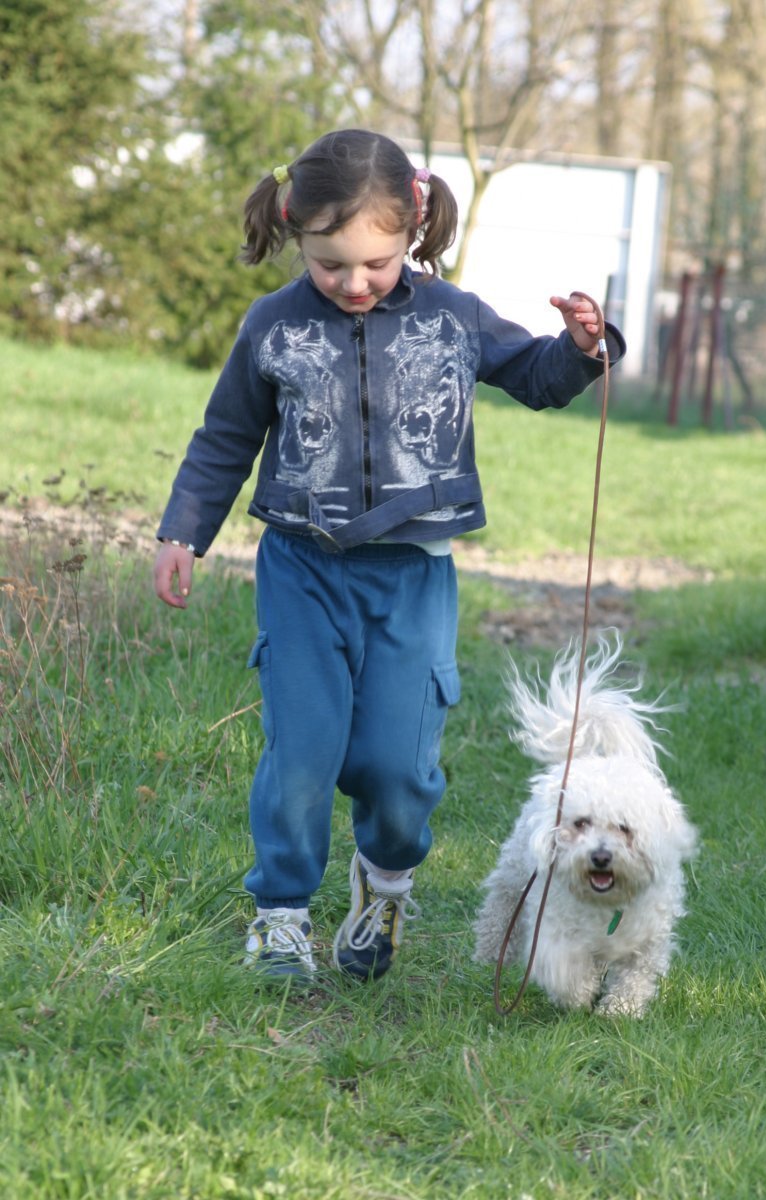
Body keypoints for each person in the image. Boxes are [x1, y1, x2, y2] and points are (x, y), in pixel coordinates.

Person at [153, 128, 626, 984]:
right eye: (330, 264)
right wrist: (184, 531)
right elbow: (225, 437)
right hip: (302, 569)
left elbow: (534, 374)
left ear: (413, 226)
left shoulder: (454, 319)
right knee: (301, 752)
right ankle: (283, 915)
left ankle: (384, 885)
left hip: (413, 576)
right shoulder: (273, 325)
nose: (353, 282)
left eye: (373, 262)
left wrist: (583, 348)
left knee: (398, 771)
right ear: (296, 232)